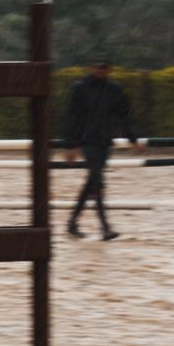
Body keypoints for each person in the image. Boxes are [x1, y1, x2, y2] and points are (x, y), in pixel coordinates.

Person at [63, 55, 142, 240]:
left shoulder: (114, 90)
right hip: (87, 141)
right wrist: (71, 145)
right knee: (96, 180)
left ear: (108, 70)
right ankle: (105, 227)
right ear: (91, 68)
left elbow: (124, 115)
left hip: (105, 142)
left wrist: (132, 138)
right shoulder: (80, 89)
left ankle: (73, 222)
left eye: (103, 68)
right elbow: (72, 118)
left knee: (93, 182)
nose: (100, 70)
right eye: (97, 67)